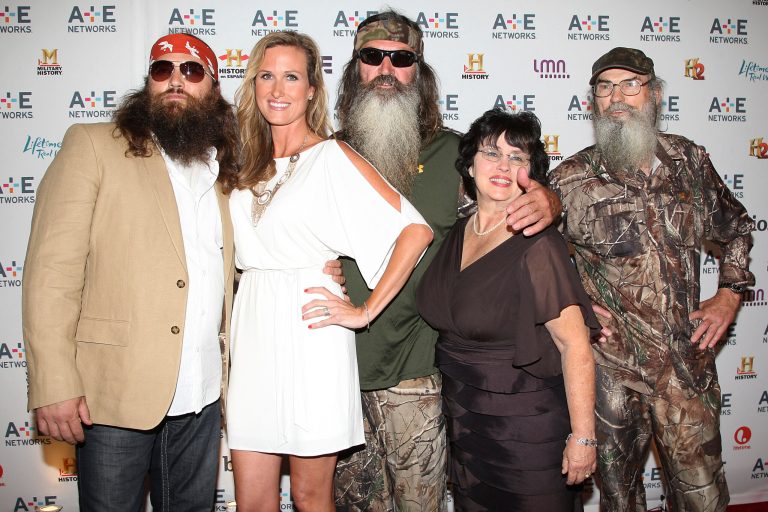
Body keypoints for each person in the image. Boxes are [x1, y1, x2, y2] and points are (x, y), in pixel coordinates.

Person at [333, 11, 562, 511]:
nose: (387, 68)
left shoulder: (456, 156)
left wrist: (551, 200)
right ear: (356, 70)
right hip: (336, 373)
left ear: (420, 72)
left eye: (402, 57)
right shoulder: (330, 155)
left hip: (416, 373)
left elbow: (509, 196)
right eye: (372, 57)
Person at [22, 34, 239, 511]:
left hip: (201, 396)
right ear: (148, 84)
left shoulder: (222, 171)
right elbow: (51, 272)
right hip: (113, 395)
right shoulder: (94, 146)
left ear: (214, 89)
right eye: (163, 70)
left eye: (192, 70)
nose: (176, 80)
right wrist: (55, 382)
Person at [224, 31, 433, 512]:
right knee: (252, 501)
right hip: (253, 335)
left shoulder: (332, 158)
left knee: (310, 496)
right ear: (254, 85)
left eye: (292, 77)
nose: (278, 89)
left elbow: (414, 232)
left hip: (312, 334)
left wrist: (363, 311)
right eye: (267, 76)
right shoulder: (240, 167)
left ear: (312, 89)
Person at [549, 47, 755, 511]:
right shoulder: (570, 179)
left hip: (687, 367)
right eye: (604, 87)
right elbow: (534, 258)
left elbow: (737, 227)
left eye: (630, 85)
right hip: (609, 372)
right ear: (592, 101)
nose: (616, 97)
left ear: (655, 94)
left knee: (703, 497)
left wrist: (729, 293)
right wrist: (574, 300)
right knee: (619, 500)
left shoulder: (689, 160)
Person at [416, 108, 599, 511]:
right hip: (465, 422)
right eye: (490, 153)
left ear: (532, 173)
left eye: (517, 157)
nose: (503, 166)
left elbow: (574, 345)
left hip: (525, 430)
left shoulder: (538, 243)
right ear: (468, 163)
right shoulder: (457, 232)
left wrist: (583, 437)